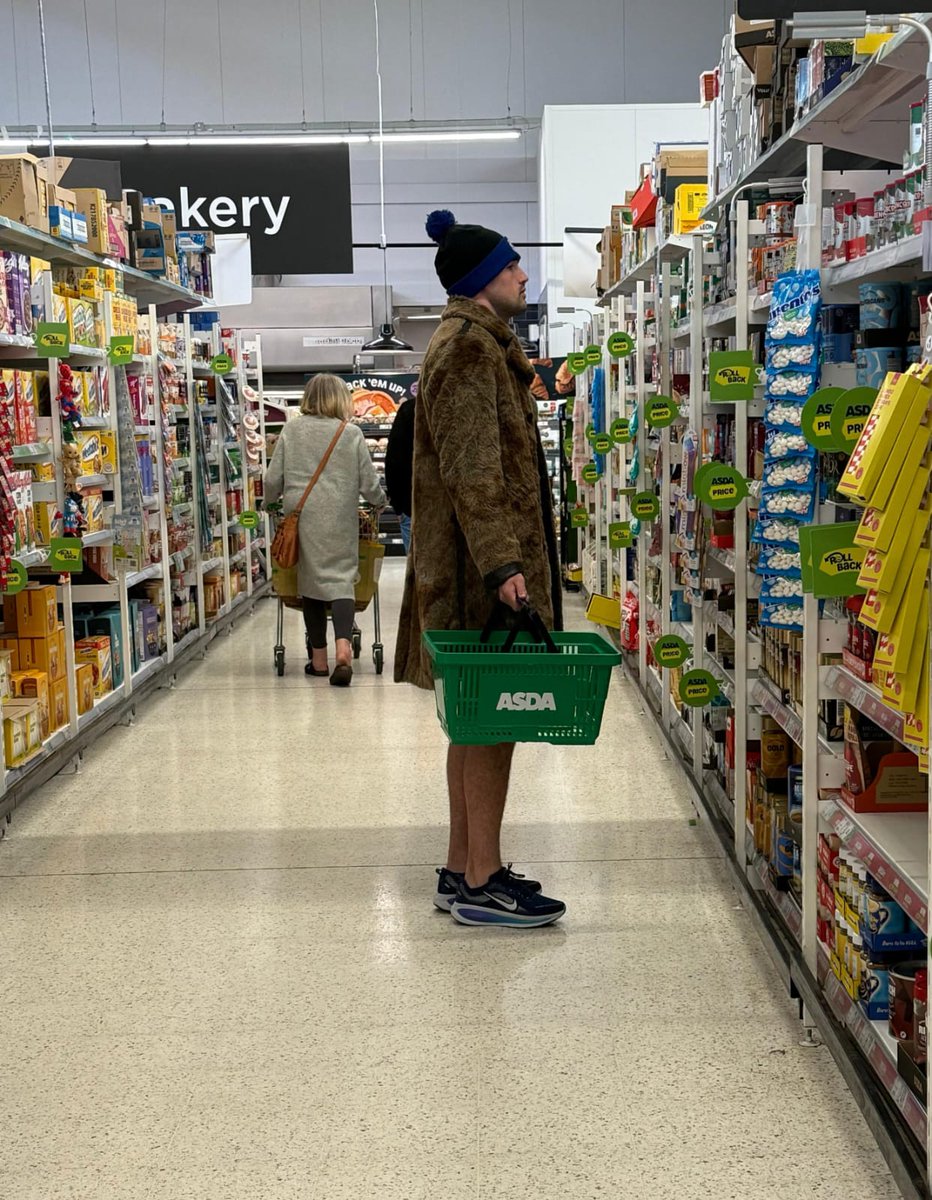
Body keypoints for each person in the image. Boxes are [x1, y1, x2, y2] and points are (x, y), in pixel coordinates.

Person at [394, 208, 565, 929]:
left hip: (472, 572)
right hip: (479, 578)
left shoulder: (473, 344)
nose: (524, 274)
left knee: (473, 721)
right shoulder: (469, 351)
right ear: (481, 280)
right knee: (494, 719)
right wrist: (502, 563)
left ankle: (465, 867)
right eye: (511, 264)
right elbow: (472, 472)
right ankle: (483, 878)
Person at [264, 373, 385, 687]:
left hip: (302, 518)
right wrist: (379, 500)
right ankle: (343, 650)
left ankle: (319, 661)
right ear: (340, 399)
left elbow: (272, 479)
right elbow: (369, 482)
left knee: (312, 584)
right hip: (340, 517)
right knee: (341, 579)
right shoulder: (352, 433)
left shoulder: (291, 430)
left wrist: (269, 502)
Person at [384, 390, 415, 552]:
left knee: (416, 567)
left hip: (411, 504)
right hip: (453, 509)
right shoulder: (455, 409)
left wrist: (397, 506)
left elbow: (394, 460)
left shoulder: (409, 410)